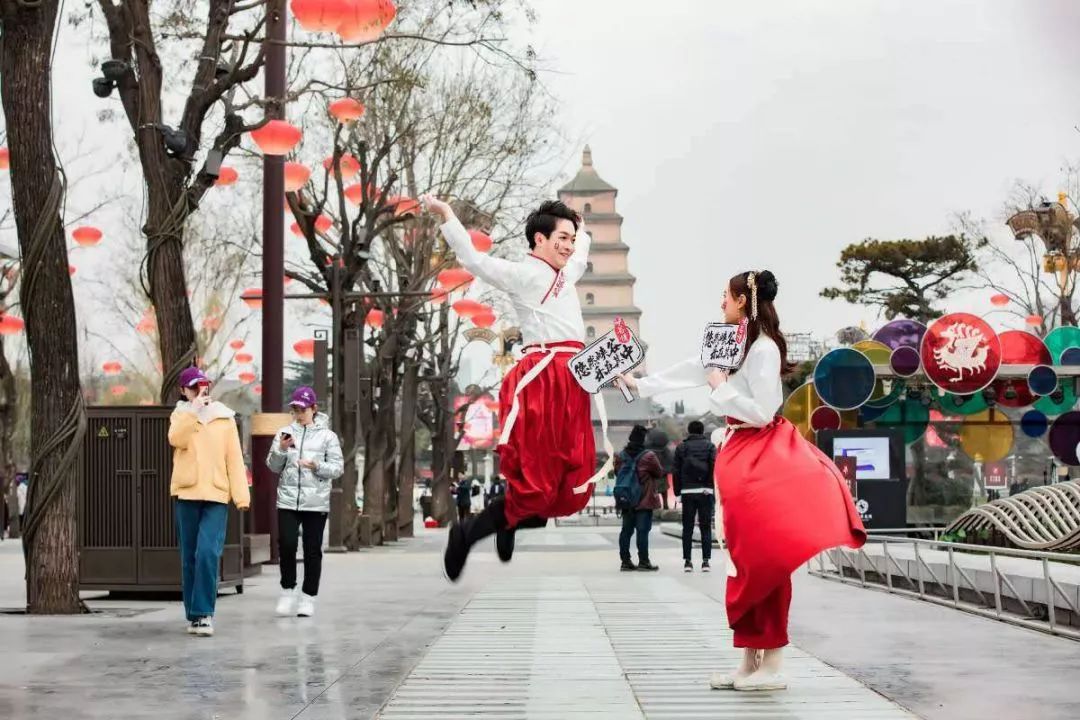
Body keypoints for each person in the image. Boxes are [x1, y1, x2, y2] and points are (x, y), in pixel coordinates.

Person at [622, 270, 865, 692]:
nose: (721, 302)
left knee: (764, 558)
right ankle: (750, 661)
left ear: (744, 301)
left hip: (761, 456)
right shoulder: (730, 344)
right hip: (739, 453)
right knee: (742, 560)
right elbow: (691, 369)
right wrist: (639, 383)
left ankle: (772, 663)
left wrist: (720, 389)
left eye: (727, 295)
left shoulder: (764, 349)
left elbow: (764, 411)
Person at [421, 194, 598, 581]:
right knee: (536, 483)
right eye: (561, 238)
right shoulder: (524, 274)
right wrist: (449, 216)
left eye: (570, 238)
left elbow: (582, 248)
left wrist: (576, 223)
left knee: (568, 486)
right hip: (543, 379)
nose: (567, 246)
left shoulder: (568, 272)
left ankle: (509, 522)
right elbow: (474, 261)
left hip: (574, 381)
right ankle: (466, 535)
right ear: (538, 239)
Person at [168, 367, 250, 637]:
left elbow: (234, 459)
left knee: (207, 553)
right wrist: (192, 411)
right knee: (189, 557)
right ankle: (193, 613)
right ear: (183, 390)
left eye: (203, 385)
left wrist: (241, 496)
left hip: (216, 494)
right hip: (187, 492)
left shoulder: (224, 417)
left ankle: (204, 613)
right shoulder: (180, 415)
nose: (200, 391)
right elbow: (175, 440)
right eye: (193, 387)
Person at [266, 386, 344, 618]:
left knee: (312, 550)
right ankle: (287, 590)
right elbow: (272, 466)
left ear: (313, 409)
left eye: (302, 409)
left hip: (315, 502)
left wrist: (316, 465)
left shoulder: (328, 437)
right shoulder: (284, 433)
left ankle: (308, 597)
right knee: (287, 544)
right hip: (288, 500)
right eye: (295, 410)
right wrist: (280, 450)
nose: (298, 414)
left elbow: (338, 468)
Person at [616, 424, 663, 571]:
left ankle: (625, 561)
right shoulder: (649, 456)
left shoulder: (620, 455)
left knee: (626, 531)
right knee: (642, 531)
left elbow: (618, 473)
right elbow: (659, 472)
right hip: (644, 499)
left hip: (626, 500)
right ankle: (643, 561)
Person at [673, 420, 716, 572]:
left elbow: (676, 472)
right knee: (705, 527)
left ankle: (688, 562)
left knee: (688, 528)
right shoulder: (710, 447)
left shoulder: (681, 447)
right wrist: (711, 488)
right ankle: (705, 562)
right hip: (705, 491)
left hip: (687, 491)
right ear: (702, 431)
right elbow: (714, 468)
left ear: (689, 431)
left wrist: (677, 492)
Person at [645, 427, 672, 510]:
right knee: (664, 490)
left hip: (650, 473)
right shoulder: (665, 449)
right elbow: (669, 460)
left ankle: (653, 505)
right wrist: (667, 469)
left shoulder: (646, 448)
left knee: (650, 490)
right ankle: (665, 504)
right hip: (662, 472)